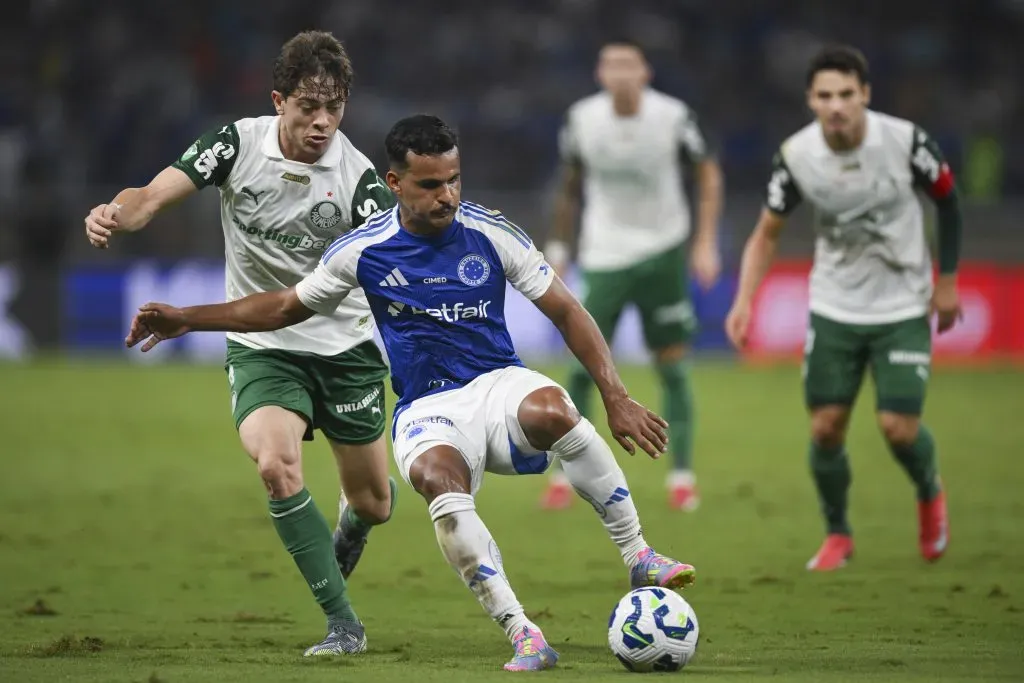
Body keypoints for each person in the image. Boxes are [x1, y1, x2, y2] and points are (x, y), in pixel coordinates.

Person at [124, 114, 698, 672]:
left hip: (498, 382)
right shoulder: (363, 249)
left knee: (555, 409)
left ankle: (639, 555)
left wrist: (616, 395)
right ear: (395, 183)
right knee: (435, 482)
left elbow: (567, 310)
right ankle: (525, 633)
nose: (446, 195)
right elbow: (282, 307)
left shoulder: (490, 232)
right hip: (428, 409)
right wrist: (189, 318)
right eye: (430, 184)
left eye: (453, 180)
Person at [83, 31, 398, 655]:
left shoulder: (359, 182)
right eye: (308, 106)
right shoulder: (234, 144)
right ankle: (344, 625)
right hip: (263, 347)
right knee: (276, 466)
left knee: (376, 502)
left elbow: (399, 269)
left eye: (333, 108)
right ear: (279, 100)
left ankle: (348, 529)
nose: (321, 121)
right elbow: (147, 197)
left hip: (345, 347)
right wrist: (115, 213)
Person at [724, 45, 961, 571]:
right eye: (825, 96)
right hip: (835, 304)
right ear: (810, 99)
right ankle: (838, 535)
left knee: (898, 428)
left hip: (901, 303)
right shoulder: (797, 156)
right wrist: (744, 300)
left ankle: (929, 490)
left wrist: (947, 281)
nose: (836, 106)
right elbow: (766, 233)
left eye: (846, 95)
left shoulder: (905, 141)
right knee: (826, 428)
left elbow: (949, 200)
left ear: (865, 95)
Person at [542, 39, 724, 511]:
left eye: (629, 64)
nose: (620, 73)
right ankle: (564, 474)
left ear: (645, 72)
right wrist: (560, 246)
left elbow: (707, 172)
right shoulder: (582, 118)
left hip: (663, 249)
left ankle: (681, 475)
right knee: (583, 361)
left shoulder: (673, 117)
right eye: (610, 65)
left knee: (673, 363)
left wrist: (705, 241)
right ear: (601, 75)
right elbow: (569, 185)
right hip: (604, 252)